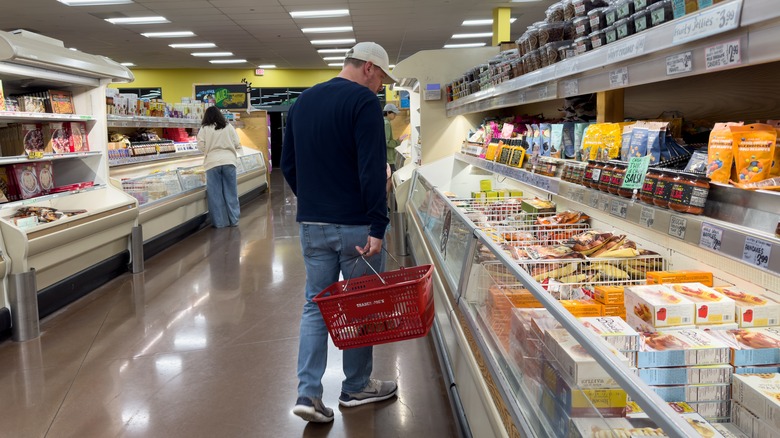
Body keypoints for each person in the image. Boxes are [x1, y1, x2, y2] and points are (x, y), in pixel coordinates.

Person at [281, 41, 398, 423]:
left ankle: (308, 394)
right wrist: (378, 224)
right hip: (357, 228)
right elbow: (371, 168)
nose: (381, 86)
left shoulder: (302, 102)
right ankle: (356, 387)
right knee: (360, 302)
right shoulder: (363, 102)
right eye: (381, 77)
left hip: (312, 226)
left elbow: (288, 165)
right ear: (368, 67)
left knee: (315, 305)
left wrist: (314, 204)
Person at [197, 106, 241, 228]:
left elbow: (200, 146)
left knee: (215, 194)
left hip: (212, 163)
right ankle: (234, 220)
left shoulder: (204, 128)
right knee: (231, 192)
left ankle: (220, 222)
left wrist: (209, 151)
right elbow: (237, 143)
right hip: (229, 161)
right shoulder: (228, 126)